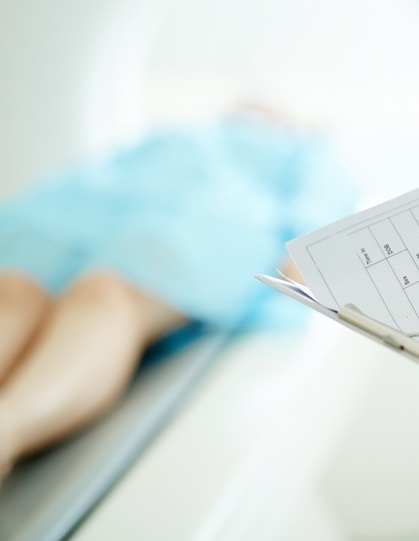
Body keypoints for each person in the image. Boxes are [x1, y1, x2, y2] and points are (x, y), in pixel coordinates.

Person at [0, 113, 355, 482]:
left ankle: (7, 430)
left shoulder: (307, 150)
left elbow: (311, 238)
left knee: (105, 291)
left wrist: (301, 254)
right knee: (14, 291)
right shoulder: (181, 132)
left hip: (198, 216)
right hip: (89, 212)